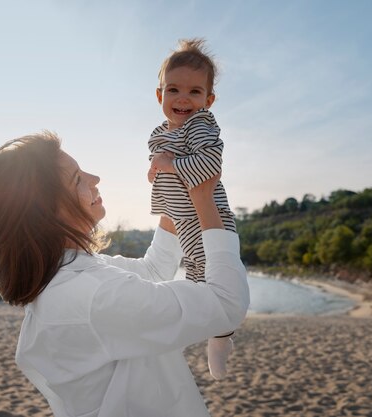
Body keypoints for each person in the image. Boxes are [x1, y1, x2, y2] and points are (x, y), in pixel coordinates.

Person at [0, 131, 249, 417]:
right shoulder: (92, 294)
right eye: (77, 179)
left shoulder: (65, 276)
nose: (94, 178)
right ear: (46, 213)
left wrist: (174, 201)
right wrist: (205, 199)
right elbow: (227, 302)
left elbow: (151, 272)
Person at [147, 38, 238, 380]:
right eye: (173, 90)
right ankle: (214, 334)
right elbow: (163, 162)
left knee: (215, 279)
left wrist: (169, 164)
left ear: (208, 100)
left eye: (194, 92)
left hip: (210, 219)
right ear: (160, 96)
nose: (183, 98)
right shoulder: (160, 132)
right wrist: (157, 169)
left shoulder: (200, 124)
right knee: (196, 278)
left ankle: (220, 340)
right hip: (184, 221)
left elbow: (211, 163)